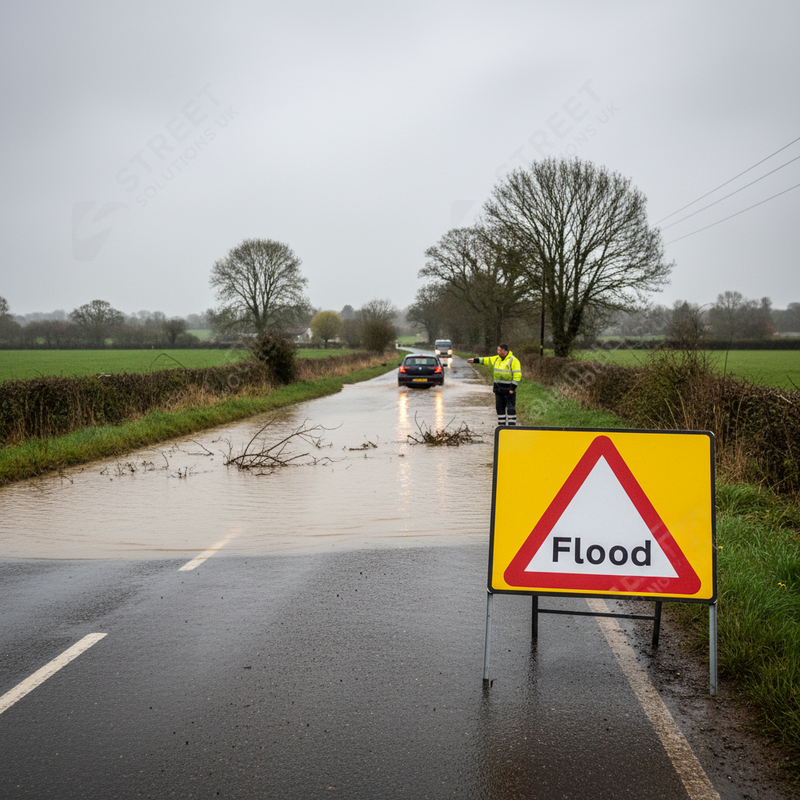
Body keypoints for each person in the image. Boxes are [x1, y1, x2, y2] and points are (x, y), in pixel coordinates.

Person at [467, 344, 522, 426]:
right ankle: (501, 426)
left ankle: (512, 426)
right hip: (498, 388)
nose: (499, 352)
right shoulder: (496, 358)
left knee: (510, 408)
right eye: (498, 350)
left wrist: (513, 387)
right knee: (499, 408)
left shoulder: (513, 360)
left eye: (500, 350)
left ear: (505, 351)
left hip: (508, 388)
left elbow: (517, 374)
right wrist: (475, 360)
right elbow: (486, 360)